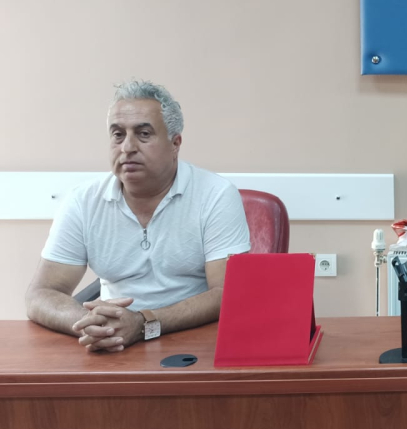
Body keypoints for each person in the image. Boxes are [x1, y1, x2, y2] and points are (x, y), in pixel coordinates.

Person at [25, 81, 251, 351]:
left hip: (195, 340)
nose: (127, 147)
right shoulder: (83, 201)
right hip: (115, 344)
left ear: (175, 143)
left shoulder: (215, 195)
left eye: (143, 134)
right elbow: (40, 294)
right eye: (118, 135)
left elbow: (226, 294)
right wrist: (91, 323)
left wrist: (144, 324)